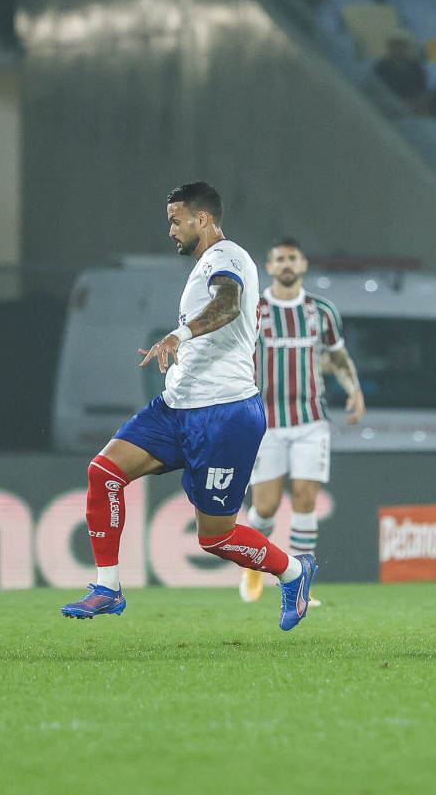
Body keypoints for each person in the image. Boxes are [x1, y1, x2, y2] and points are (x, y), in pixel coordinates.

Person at [59, 181, 317, 631]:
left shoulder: (227, 257)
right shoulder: (203, 265)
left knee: (215, 538)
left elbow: (229, 305)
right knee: (104, 473)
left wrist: (179, 334)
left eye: (176, 221)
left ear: (203, 218)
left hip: (225, 414)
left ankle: (294, 573)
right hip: (176, 407)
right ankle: (107, 587)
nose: (172, 231)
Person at [239, 238, 365, 606]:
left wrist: (354, 389)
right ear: (270, 266)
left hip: (311, 418)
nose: (286, 264)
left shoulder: (321, 311)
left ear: (304, 264)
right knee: (266, 507)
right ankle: (253, 564)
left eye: (292, 258)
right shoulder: (255, 309)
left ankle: (298, 587)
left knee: (306, 499)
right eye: (279, 259)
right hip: (266, 423)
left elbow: (338, 356)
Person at [372, 32, 428, 115]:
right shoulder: (381, 68)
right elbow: (374, 91)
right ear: (390, 47)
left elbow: (422, 95)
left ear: (408, 47)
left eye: (402, 45)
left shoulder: (417, 70)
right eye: (395, 45)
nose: (399, 49)